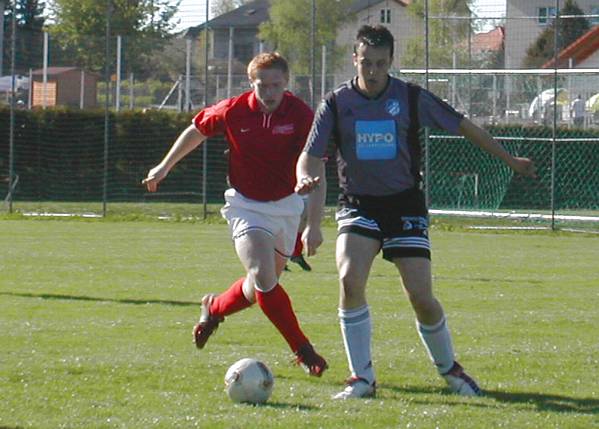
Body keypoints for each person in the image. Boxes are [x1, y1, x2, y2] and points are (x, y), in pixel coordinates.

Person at [296, 25, 537, 399]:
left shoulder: (409, 97)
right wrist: (303, 178)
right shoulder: (337, 103)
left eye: (380, 63)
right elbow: (309, 156)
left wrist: (509, 159)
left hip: (405, 205)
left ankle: (450, 369)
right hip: (359, 205)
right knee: (349, 279)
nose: (373, 70)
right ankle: (362, 379)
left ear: (391, 62)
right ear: (354, 59)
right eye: (366, 62)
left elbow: (464, 126)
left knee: (421, 297)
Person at [143, 52, 327, 377]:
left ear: (286, 83)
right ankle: (303, 350)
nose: (269, 92)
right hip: (247, 206)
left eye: (276, 85)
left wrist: (314, 224)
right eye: (262, 85)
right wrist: (164, 166)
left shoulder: (301, 114)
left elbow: (316, 168)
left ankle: (213, 308)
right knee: (262, 275)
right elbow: (196, 130)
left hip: (287, 207)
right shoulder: (233, 110)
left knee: (258, 289)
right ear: (250, 83)